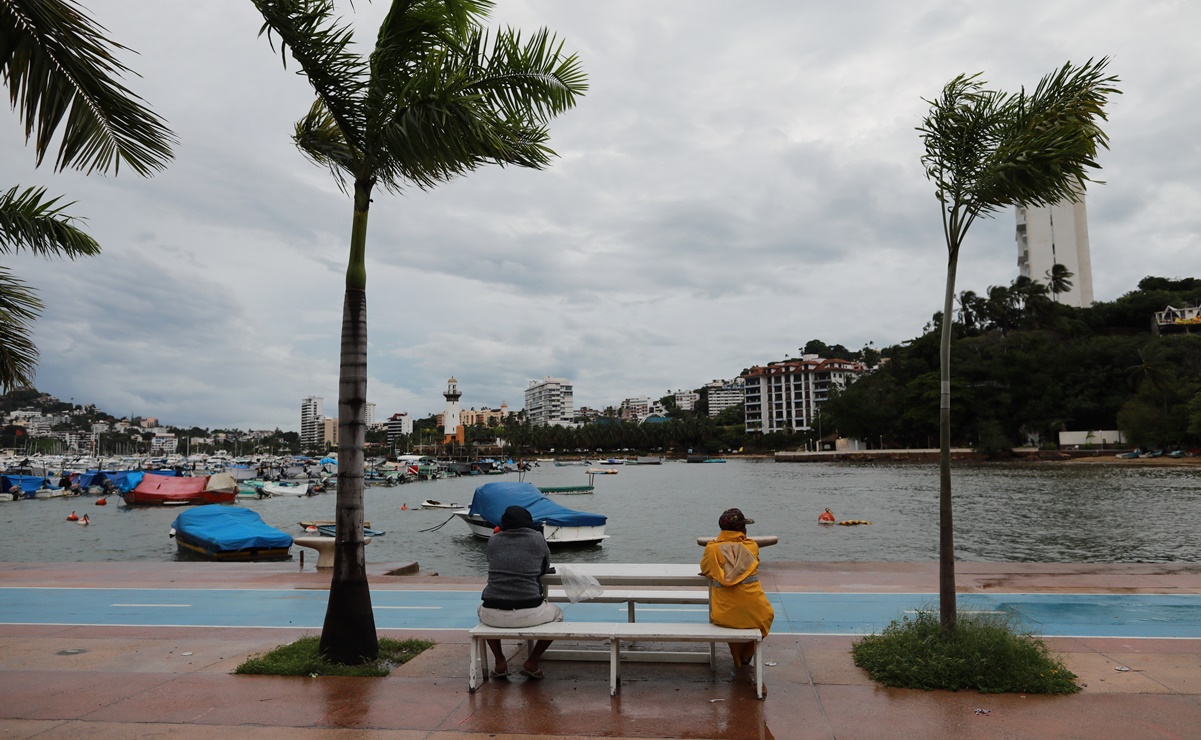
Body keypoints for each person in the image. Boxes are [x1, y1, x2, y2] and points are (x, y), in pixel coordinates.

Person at [477, 505, 563, 679]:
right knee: (558, 615)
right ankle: (532, 661)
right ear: (528, 522)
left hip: (491, 611)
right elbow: (544, 567)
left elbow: (491, 561)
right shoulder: (537, 539)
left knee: (481, 614)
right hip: (529, 612)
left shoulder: (493, 540)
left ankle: (500, 661)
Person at [700, 507, 774, 670]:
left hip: (723, 615)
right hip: (755, 613)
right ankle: (746, 654)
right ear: (742, 528)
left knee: (732, 619)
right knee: (767, 616)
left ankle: (739, 657)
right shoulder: (751, 547)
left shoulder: (712, 548)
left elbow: (706, 569)